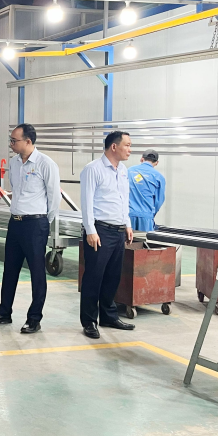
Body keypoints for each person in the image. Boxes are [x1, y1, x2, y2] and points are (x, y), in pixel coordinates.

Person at [0, 123, 60, 334]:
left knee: (37, 272)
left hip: (35, 224)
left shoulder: (46, 164)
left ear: (28, 141)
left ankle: (34, 318)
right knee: (10, 269)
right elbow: (16, 191)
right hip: (15, 223)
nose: (11, 144)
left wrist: (43, 221)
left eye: (14, 140)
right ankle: (4, 312)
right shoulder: (14, 163)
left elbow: (54, 198)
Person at [79, 130, 136, 340]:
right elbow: (86, 201)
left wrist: (127, 224)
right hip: (100, 231)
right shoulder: (93, 169)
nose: (130, 150)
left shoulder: (123, 170)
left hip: (118, 231)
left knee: (113, 277)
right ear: (114, 146)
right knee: (94, 277)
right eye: (127, 145)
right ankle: (89, 321)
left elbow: (123, 199)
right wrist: (90, 230)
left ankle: (108, 317)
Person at [128, 149, 166, 232]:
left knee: (126, 239)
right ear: (157, 162)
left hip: (128, 215)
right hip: (146, 217)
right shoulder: (159, 177)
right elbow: (159, 201)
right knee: (143, 239)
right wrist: (150, 214)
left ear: (142, 159)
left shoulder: (129, 171)